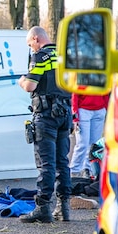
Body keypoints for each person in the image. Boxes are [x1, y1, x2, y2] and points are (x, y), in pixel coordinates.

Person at [17, 26, 73, 223]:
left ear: (36, 38)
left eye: (30, 44)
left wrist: (22, 81)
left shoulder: (40, 56)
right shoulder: (65, 56)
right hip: (65, 113)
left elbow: (31, 85)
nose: (31, 48)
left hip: (46, 114)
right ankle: (64, 207)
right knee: (62, 162)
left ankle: (42, 208)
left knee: (46, 163)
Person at [70, 92, 108, 179]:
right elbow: (75, 94)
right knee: (82, 144)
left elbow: (105, 92)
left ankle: (87, 169)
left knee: (94, 145)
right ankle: (74, 171)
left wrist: (105, 108)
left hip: (99, 110)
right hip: (83, 110)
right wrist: (75, 116)